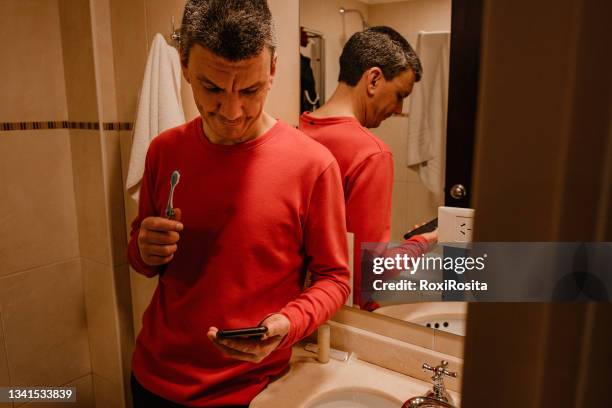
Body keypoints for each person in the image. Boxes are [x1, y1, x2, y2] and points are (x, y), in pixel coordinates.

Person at [127, 1, 350, 406]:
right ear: (184, 69)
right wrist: (144, 249)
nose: (231, 112)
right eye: (211, 88)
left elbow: (335, 278)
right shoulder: (164, 150)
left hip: (252, 393)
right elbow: (143, 260)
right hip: (153, 380)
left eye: (249, 90)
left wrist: (290, 323)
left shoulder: (313, 166)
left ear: (273, 71)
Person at [299, 27, 436, 310]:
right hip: (340, 319)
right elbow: (371, 275)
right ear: (373, 79)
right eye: (400, 95)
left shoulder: (294, 130)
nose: (398, 109)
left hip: (297, 308)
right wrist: (425, 241)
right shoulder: (371, 154)